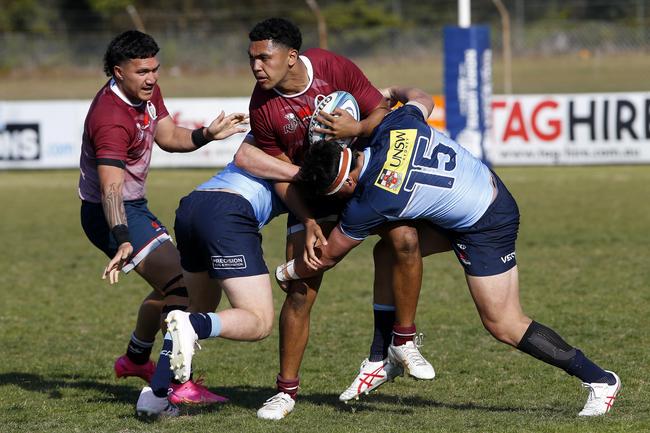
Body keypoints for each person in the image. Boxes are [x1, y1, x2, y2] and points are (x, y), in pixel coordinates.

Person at [278, 86, 621, 417]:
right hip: (481, 191)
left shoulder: (368, 202)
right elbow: (420, 97)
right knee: (389, 251)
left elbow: (327, 257)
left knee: (504, 323)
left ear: (348, 184)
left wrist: (285, 272)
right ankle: (383, 355)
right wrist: (393, 90)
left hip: (487, 223)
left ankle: (600, 379)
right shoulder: (396, 123)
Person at [236, 18, 434, 419]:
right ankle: (285, 392)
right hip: (314, 197)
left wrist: (358, 126)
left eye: (264, 57)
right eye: (252, 58)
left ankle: (403, 341)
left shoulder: (331, 66)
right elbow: (278, 172)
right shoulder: (263, 106)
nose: (257, 67)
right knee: (301, 288)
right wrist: (308, 221)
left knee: (405, 241)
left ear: (291, 57)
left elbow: (381, 109)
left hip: (364, 179)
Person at [78, 30, 247, 405]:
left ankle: (136, 358)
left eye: (155, 69)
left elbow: (168, 135)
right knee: (182, 287)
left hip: (133, 205)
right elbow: (110, 189)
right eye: (142, 72)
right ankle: (169, 386)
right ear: (118, 72)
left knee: (171, 284)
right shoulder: (110, 117)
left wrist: (207, 134)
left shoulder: (147, 93)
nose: (151, 78)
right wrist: (121, 236)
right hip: (110, 213)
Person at [135, 152, 298, 417]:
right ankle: (192, 327)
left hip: (193, 205)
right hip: (228, 213)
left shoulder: (270, 137)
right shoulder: (302, 151)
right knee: (258, 321)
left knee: (199, 307)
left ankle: (157, 394)